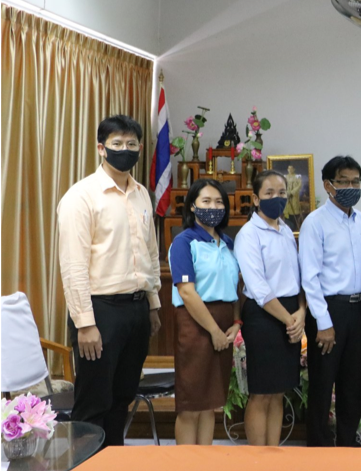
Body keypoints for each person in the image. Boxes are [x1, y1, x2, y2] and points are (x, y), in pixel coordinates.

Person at [56, 115, 161, 447]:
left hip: (137, 310)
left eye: (132, 145)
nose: (125, 150)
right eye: (117, 144)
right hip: (100, 312)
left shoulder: (142, 194)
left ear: (140, 148)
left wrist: (153, 304)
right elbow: (73, 267)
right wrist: (85, 323)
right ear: (101, 148)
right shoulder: (81, 196)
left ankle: (114, 460)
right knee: (93, 405)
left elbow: (150, 252)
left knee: (122, 399)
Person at [298, 156, 361, 447]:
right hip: (328, 310)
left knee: (353, 384)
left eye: (356, 181)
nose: (351, 187)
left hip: (356, 310)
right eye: (345, 181)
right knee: (322, 383)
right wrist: (324, 323)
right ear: (328, 185)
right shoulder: (315, 223)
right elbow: (310, 278)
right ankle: (318, 448)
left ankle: (347, 443)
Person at [234, 170, 306, 446]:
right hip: (264, 316)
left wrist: (300, 313)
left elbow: (297, 277)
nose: (277, 198)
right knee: (261, 392)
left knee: (279, 392)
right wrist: (290, 320)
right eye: (269, 193)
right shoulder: (249, 235)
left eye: (282, 193)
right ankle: (256, 460)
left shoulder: (286, 229)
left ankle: (273, 454)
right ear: (255, 198)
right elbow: (259, 287)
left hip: (290, 312)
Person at [169, 179, 241, 445]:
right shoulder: (184, 242)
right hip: (196, 324)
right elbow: (187, 292)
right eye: (206, 201)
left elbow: (234, 285)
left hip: (224, 324)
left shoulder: (228, 242)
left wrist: (236, 320)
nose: (214, 207)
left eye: (219, 202)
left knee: (211, 402)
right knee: (191, 404)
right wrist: (214, 331)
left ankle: (204, 461)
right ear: (192, 206)